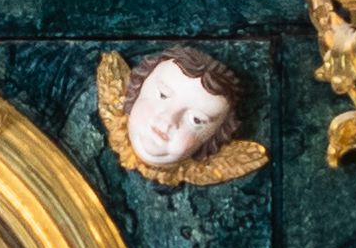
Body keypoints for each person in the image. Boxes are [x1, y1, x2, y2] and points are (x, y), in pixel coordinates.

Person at [103, 39, 265, 186]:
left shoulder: (197, 167)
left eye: (196, 120)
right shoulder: (116, 105)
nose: (168, 120)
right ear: (137, 88)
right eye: (163, 95)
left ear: (212, 139)